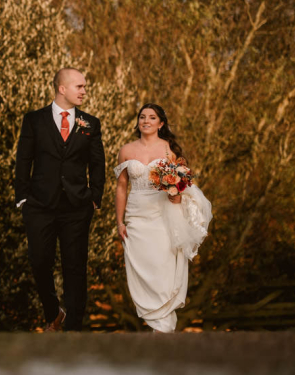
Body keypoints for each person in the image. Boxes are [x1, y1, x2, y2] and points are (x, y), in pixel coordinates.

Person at [14, 68, 105, 331]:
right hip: (40, 206)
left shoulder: (90, 123)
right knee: (39, 260)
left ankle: (74, 330)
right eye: (79, 86)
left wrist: (95, 198)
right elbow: (24, 160)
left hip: (77, 207)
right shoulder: (34, 120)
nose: (84, 91)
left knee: (75, 269)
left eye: (85, 86)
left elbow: (97, 163)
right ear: (61, 89)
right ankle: (53, 311)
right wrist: (22, 198)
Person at [114, 104, 212, 332]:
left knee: (163, 270)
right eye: (142, 117)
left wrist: (176, 196)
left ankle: (164, 331)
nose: (145, 121)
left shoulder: (169, 151)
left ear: (161, 123)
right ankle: (156, 327)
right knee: (141, 268)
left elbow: (181, 187)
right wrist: (119, 221)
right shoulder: (126, 150)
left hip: (162, 218)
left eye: (152, 117)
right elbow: (121, 187)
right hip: (136, 218)